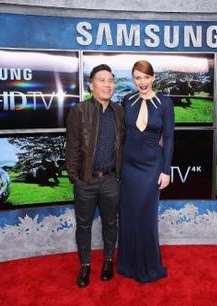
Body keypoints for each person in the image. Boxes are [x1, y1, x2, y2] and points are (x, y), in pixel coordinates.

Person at [66, 64, 125, 288]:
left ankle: (108, 261)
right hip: (85, 181)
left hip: (111, 179)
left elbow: (123, 144)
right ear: (91, 85)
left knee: (111, 223)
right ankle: (85, 266)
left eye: (110, 80)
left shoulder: (118, 111)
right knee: (83, 226)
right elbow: (72, 147)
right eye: (102, 80)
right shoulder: (79, 110)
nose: (107, 84)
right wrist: (75, 177)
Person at [116, 60, 175, 283]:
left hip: (152, 167)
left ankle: (148, 266)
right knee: (129, 216)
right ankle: (128, 264)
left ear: (153, 78)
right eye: (137, 78)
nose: (141, 82)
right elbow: (121, 136)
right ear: (133, 79)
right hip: (129, 168)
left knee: (146, 216)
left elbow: (169, 138)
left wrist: (166, 170)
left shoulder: (165, 103)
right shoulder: (127, 101)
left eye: (145, 77)